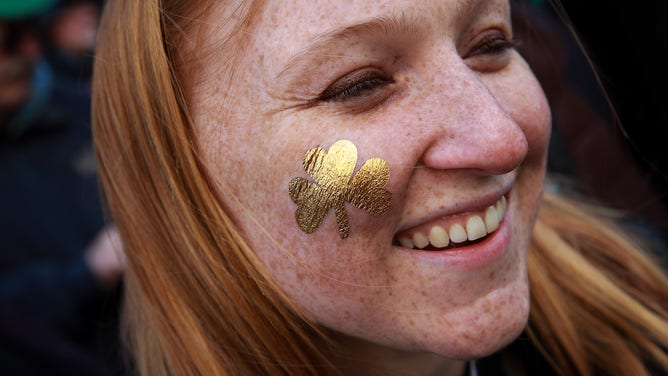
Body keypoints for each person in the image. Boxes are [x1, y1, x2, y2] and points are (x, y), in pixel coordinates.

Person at [92, 0, 668, 375]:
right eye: (359, 84)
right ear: (176, 176)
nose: (502, 139)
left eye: (489, 44)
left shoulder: (642, 301)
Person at [1, 1, 125, 374]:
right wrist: (87, 275)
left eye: (32, 31)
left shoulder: (83, 113)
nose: (31, 50)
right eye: (10, 38)